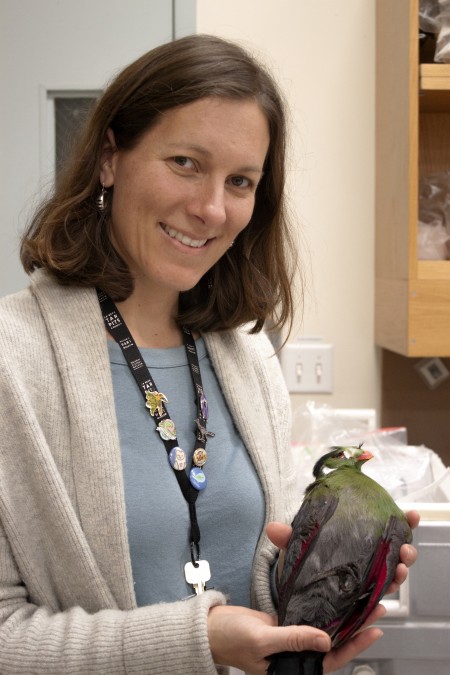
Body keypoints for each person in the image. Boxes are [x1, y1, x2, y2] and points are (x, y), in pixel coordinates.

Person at [0, 34, 418, 675]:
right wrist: (197, 641)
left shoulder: (246, 354)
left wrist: (323, 589)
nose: (211, 209)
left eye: (240, 181)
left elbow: (244, 572)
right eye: (185, 163)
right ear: (111, 157)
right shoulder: (12, 361)